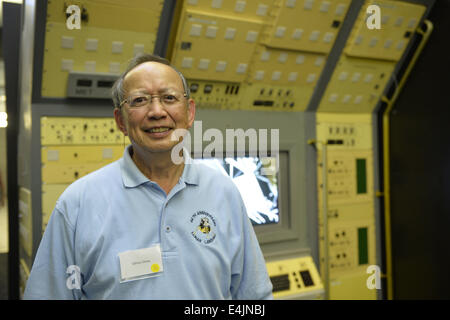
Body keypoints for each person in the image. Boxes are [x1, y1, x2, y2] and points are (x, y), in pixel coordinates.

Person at [23, 53, 273, 300]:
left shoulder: (223, 192)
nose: (156, 111)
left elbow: (254, 294)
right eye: (140, 100)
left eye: (169, 98)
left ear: (190, 111)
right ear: (120, 120)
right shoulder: (77, 205)